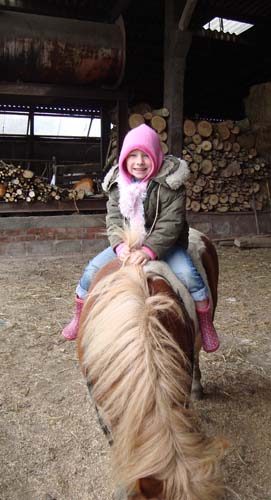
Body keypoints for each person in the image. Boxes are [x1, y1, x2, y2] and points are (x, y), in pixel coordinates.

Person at [61, 123, 219, 352]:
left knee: (190, 275)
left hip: (165, 245)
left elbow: (171, 224)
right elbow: (113, 219)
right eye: (132, 155)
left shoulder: (170, 185)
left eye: (145, 155)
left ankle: (205, 325)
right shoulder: (117, 184)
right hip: (128, 243)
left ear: (155, 156)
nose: (139, 162)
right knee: (91, 271)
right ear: (124, 158)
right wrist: (119, 246)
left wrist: (149, 251)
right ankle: (79, 317)